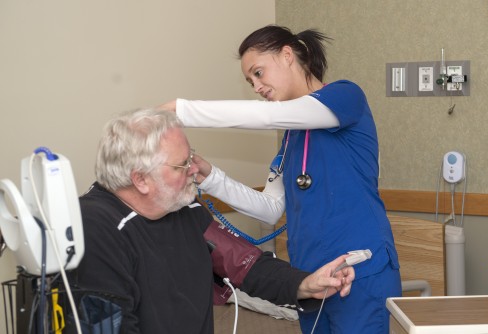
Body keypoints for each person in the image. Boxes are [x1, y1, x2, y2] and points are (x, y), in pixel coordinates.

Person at [158, 25, 401, 333]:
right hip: (312, 279)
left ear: (287, 55)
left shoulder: (345, 96)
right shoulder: (292, 136)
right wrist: (210, 177)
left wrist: (182, 110)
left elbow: (268, 116)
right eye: (250, 81)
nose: (257, 86)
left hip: (359, 272)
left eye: (259, 73)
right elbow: (271, 208)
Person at [73, 108, 355, 334]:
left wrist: (306, 283)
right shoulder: (94, 227)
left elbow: (244, 264)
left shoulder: (183, 207)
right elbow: (109, 323)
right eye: (183, 164)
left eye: (191, 157)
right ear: (141, 179)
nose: (195, 170)